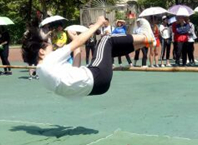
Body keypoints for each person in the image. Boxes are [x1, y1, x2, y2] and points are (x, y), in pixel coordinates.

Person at [21, 16, 157, 98]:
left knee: (107, 50)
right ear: (41, 52)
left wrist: (77, 47)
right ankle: (146, 36)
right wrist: (98, 24)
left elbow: (75, 68)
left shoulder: (43, 75)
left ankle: (147, 42)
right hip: (97, 75)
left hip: (97, 88)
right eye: (47, 43)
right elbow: (79, 42)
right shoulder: (49, 60)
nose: (51, 44)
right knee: (105, 39)